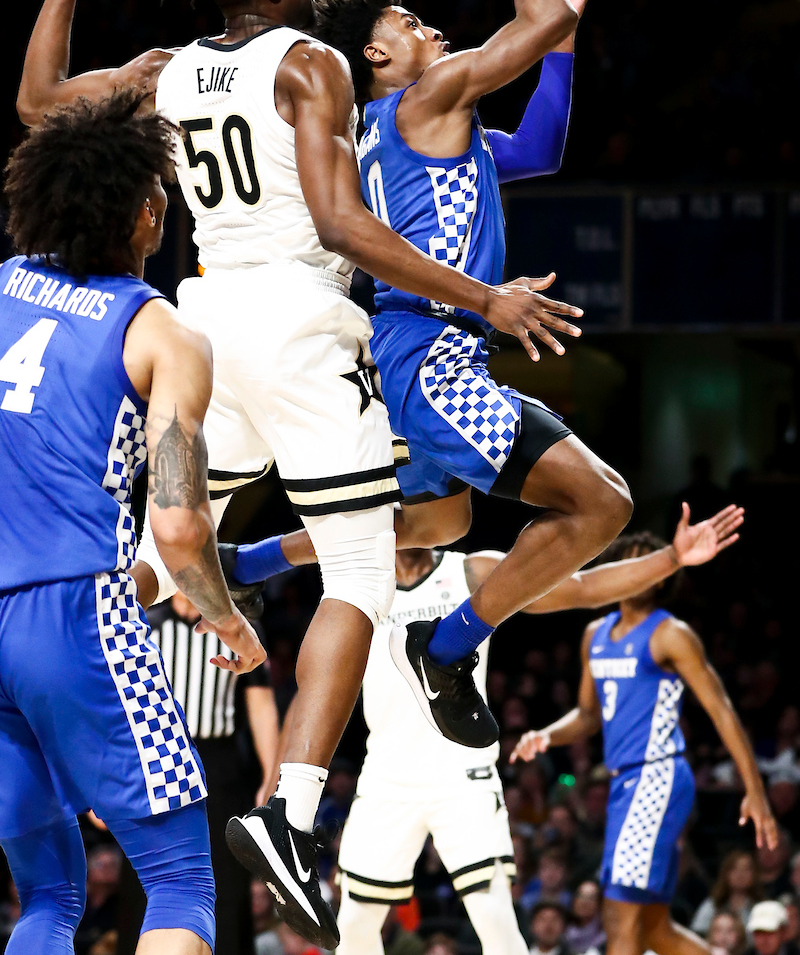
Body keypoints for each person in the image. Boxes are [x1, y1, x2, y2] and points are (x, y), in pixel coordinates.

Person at [18, 0, 581, 948]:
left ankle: (63, 717)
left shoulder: (169, 66)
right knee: (362, 568)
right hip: (298, 321)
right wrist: (481, 297)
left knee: (161, 549)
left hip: (204, 318)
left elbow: (39, 103)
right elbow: (337, 224)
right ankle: (291, 811)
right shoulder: (311, 61)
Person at [313, 0, 632, 750]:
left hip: (430, 356)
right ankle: (447, 648)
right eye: (410, 23)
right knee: (600, 506)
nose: (434, 28)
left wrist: (559, 39)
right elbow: (542, 19)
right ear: (378, 58)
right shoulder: (426, 97)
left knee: (427, 521)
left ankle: (259, 566)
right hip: (431, 352)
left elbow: (540, 147)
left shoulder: (408, 129)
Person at [0, 94, 265, 955]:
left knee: (47, 894)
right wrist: (227, 619)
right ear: (146, 209)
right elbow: (181, 529)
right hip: (75, 610)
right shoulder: (160, 331)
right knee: (183, 876)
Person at [250, 504, 741, 955]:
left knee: (496, 923)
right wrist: (278, 780)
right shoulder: (358, 585)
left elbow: (582, 587)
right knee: (353, 926)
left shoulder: (468, 570)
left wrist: (672, 558)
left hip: (462, 775)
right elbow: (314, 688)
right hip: (386, 778)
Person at [512, 530, 778, 955]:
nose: (639, 576)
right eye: (630, 565)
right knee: (655, 929)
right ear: (615, 573)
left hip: (657, 775)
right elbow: (587, 715)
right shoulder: (594, 634)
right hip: (627, 784)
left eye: (648, 567)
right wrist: (547, 734)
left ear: (662, 577)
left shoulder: (671, 634)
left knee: (619, 920)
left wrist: (755, 788)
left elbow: (721, 709)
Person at [145, 591, 279, 955]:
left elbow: (261, 702)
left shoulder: (237, 627)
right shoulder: (145, 623)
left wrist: (271, 776)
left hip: (218, 765)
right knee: (147, 879)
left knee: (227, 883)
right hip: (153, 760)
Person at [693, 853, 763, 936]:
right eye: (734, 869)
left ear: (754, 874)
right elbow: (697, 934)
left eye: (746, 869)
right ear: (726, 874)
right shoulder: (712, 905)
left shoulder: (761, 908)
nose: (740, 874)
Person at [565, 881, 606, 955]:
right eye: (580, 896)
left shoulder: (606, 936)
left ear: (599, 903)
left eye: (591, 898)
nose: (584, 902)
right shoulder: (562, 930)